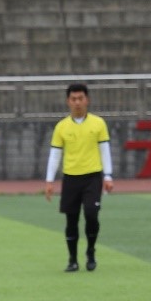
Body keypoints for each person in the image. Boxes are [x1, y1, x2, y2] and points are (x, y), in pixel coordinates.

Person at [44, 83, 115, 272]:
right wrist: (49, 181)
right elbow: (55, 155)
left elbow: (105, 150)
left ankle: (91, 251)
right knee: (71, 219)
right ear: (68, 101)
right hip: (70, 178)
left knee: (91, 214)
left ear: (87, 100)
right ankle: (72, 259)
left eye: (80, 98)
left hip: (93, 177)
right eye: (73, 99)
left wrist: (108, 176)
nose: (77, 102)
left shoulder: (98, 123)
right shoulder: (61, 127)